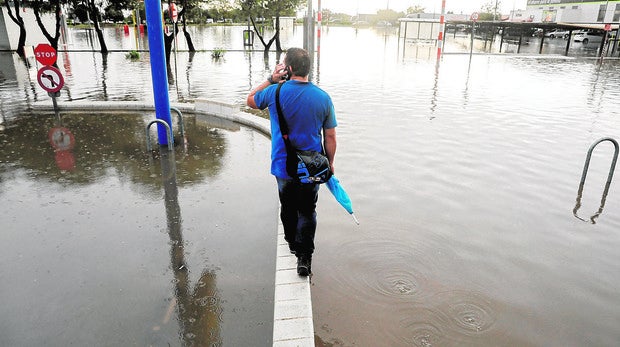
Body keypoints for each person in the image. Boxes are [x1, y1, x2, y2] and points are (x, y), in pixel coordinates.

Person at [246, 47, 337, 276]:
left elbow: (249, 100)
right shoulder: (323, 98)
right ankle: (305, 257)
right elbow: (330, 137)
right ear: (308, 68)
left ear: (289, 68)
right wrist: (331, 162)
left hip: (283, 165)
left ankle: (293, 244)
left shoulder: (274, 92)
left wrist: (270, 79)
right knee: (307, 210)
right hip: (312, 167)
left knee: (288, 207)